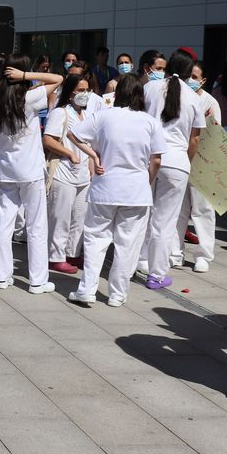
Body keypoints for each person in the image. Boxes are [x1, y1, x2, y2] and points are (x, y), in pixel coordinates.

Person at [68, 74, 165, 306]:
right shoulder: (150, 122)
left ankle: (87, 289)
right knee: (127, 243)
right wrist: (147, 181)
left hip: (105, 187)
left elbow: (73, 134)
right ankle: (118, 294)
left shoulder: (103, 116)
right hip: (136, 190)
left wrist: (93, 155)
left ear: (118, 93)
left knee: (95, 240)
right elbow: (157, 159)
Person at [0, 54, 63, 293]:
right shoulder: (30, 98)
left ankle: (1, 276)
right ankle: (37, 281)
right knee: (36, 225)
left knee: (4, 223)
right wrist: (27, 76)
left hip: (6, 170)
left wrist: (1, 157)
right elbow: (58, 79)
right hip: (30, 171)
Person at [137, 50, 206, 289]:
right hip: (177, 162)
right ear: (189, 73)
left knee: (141, 214)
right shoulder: (194, 97)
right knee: (165, 221)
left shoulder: (150, 88)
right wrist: (186, 160)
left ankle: (137, 261)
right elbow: (195, 138)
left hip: (148, 158)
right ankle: (156, 274)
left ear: (166, 68)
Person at [171, 60, 221, 272]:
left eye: (195, 77)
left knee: (203, 210)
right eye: (188, 76)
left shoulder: (210, 102)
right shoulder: (178, 97)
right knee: (178, 209)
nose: (190, 80)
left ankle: (203, 255)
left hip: (202, 162)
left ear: (203, 80)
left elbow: (215, 134)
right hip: (180, 159)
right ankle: (175, 252)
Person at [43, 74, 91, 274]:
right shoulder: (60, 113)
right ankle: (55, 257)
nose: (85, 94)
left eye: (87, 90)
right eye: (80, 90)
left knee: (79, 217)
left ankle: (72, 253)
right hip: (63, 172)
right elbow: (48, 139)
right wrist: (69, 153)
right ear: (70, 92)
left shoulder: (86, 115)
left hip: (83, 175)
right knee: (60, 217)